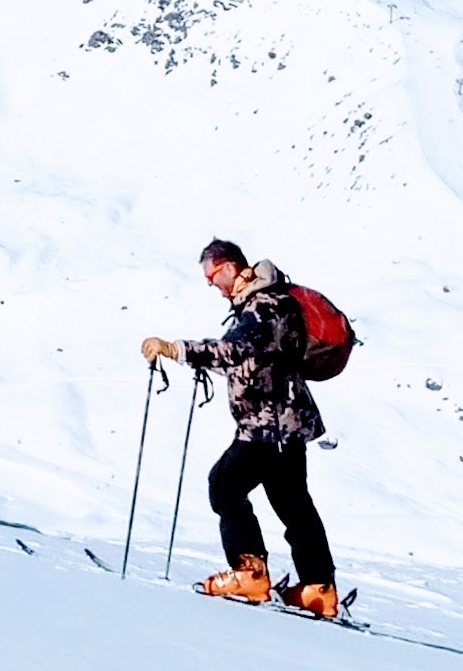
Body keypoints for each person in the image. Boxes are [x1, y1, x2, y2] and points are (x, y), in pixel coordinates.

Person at [141, 239, 339, 620]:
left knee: (225, 485)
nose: (212, 284)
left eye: (212, 275)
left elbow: (235, 351)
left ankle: (251, 572)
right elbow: (253, 359)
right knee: (293, 504)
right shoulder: (269, 304)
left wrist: (175, 349)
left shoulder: (264, 306)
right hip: (284, 425)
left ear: (230, 267)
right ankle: (319, 588)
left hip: (268, 425)